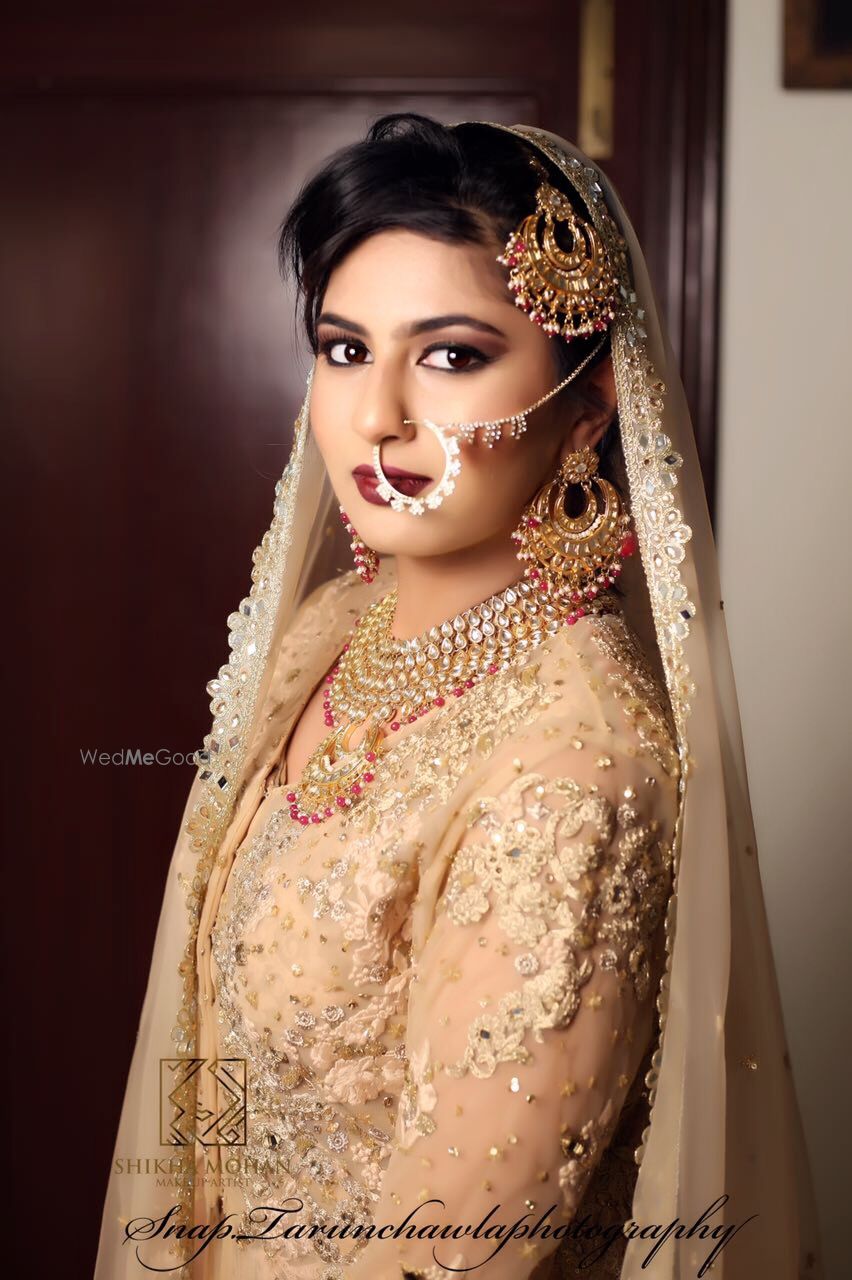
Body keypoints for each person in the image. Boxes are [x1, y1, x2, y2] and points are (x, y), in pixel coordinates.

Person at [94, 114, 822, 1280]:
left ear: (586, 410)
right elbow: (211, 1037)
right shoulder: (335, 630)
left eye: (450, 355)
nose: (376, 415)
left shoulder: (572, 773)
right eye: (343, 349)